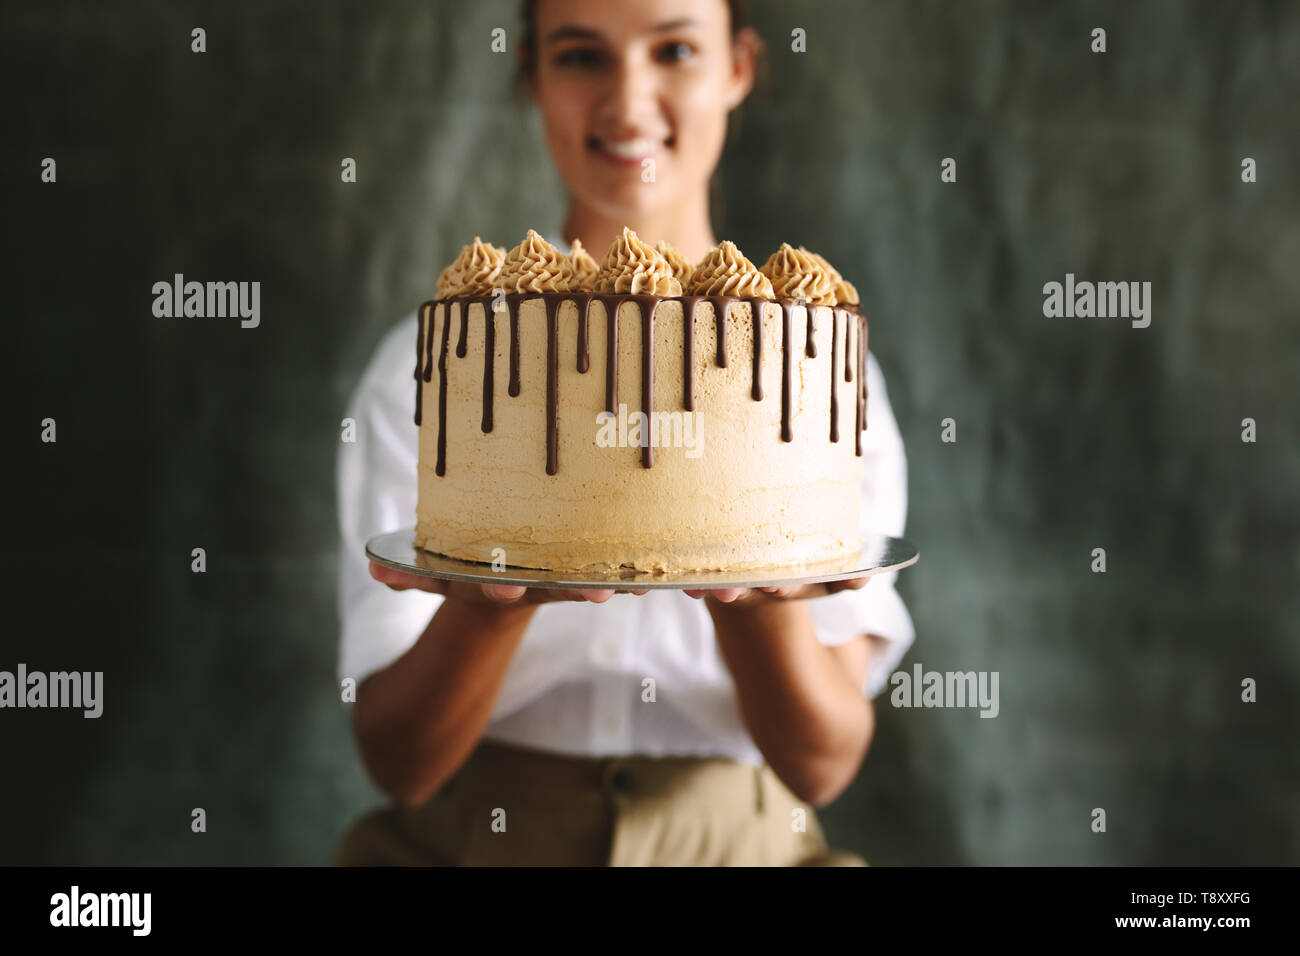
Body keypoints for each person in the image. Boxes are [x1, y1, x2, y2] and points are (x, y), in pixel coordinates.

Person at [334, 0, 913, 866]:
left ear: (740, 67)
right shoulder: (442, 365)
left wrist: (752, 599)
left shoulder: (814, 366)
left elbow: (823, 764)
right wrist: (490, 612)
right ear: (530, 74)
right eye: (580, 57)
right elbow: (399, 762)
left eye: (675, 48)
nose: (628, 101)